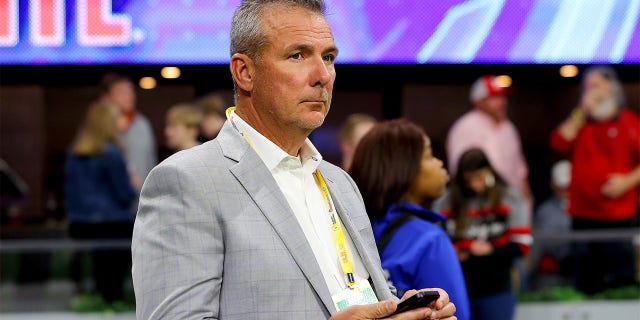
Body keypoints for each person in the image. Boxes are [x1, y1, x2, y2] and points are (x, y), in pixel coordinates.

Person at [131, 1, 457, 320]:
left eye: (328, 57)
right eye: (298, 55)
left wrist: (404, 308)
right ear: (245, 72)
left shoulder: (340, 183)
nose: (322, 75)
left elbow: (357, 293)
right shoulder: (187, 182)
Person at [349, 119, 471, 320]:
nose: (440, 163)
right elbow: (458, 315)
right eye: (430, 156)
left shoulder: (349, 227)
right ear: (403, 169)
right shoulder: (429, 240)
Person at [550, 65, 640, 295]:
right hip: (583, 216)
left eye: (597, 86)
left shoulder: (629, 122)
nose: (592, 92)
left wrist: (627, 181)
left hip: (617, 217)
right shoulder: (581, 122)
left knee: (622, 282)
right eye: (587, 88)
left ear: (611, 88)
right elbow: (559, 142)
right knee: (586, 282)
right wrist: (581, 110)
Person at [433, 148, 532, 320]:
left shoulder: (510, 198)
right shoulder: (446, 202)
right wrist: (459, 250)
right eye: (469, 180)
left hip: (497, 286)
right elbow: (436, 243)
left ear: (489, 171)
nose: (475, 185)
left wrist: (489, 249)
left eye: (479, 178)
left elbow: (522, 244)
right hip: (458, 285)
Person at [64, 102, 139, 303]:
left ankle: (94, 299)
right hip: (112, 224)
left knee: (96, 268)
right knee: (113, 271)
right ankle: (113, 302)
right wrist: (133, 185)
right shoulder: (112, 153)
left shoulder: (74, 152)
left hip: (79, 223)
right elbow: (124, 194)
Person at [445, 75, 531, 208]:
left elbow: (520, 169)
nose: (501, 102)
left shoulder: (509, 128)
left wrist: (526, 200)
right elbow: (460, 171)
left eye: (502, 97)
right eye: (494, 97)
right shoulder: (465, 127)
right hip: (479, 204)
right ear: (479, 101)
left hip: (511, 201)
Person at [98, 72, 157, 191]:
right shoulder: (97, 126)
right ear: (106, 98)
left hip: (141, 201)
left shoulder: (142, 124)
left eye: (131, 92)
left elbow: (151, 162)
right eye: (122, 92)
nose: (129, 96)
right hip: (109, 203)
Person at [530, 159, 572, 286]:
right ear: (553, 184)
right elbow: (538, 247)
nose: (566, 191)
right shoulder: (545, 211)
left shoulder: (588, 208)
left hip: (580, 272)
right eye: (562, 187)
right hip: (552, 275)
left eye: (569, 187)